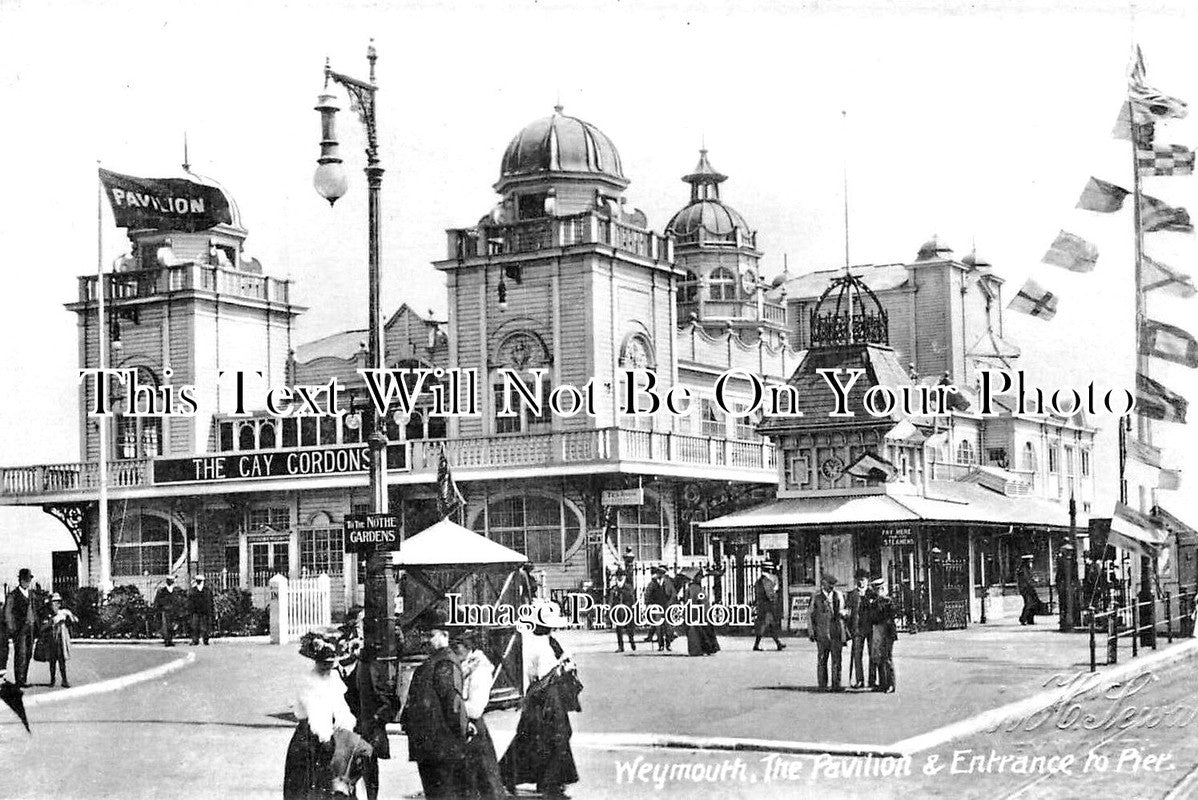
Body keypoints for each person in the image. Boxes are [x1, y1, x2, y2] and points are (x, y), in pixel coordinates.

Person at [500, 600, 581, 799]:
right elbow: (543, 677)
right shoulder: (538, 645)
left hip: (548, 697)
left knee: (545, 737)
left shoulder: (548, 641)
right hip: (544, 697)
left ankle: (547, 780)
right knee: (547, 737)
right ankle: (545, 781)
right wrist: (563, 667)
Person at [283, 629, 366, 799]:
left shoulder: (334, 678)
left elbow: (342, 708)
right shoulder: (309, 682)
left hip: (332, 734)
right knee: (307, 783)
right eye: (324, 664)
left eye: (330, 663)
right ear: (316, 662)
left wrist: (346, 729)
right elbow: (314, 715)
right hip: (310, 737)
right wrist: (326, 739)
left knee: (339, 781)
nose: (327, 668)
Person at [399, 613, 469, 800]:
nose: (426, 640)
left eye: (431, 635)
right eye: (425, 635)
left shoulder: (445, 663)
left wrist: (461, 735)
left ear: (445, 636)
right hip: (430, 747)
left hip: (441, 746)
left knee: (443, 793)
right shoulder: (435, 661)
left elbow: (454, 704)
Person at [451, 630, 506, 800]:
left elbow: (476, 708)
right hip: (462, 727)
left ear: (468, 647)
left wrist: (451, 706)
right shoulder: (463, 665)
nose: (454, 650)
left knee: (482, 783)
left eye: (457, 646)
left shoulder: (480, 670)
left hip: (474, 730)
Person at [809, 574, 848, 691]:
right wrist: (811, 632)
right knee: (822, 659)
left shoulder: (839, 595)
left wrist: (844, 614)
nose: (832, 587)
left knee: (837, 659)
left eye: (833, 585)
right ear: (823, 584)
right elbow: (810, 615)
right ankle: (822, 685)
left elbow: (844, 610)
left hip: (836, 632)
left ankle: (836, 684)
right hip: (822, 633)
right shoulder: (816, 597)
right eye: (829, 585)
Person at [5, 568, 39, 687]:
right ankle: (19, 680)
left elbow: (35, 610)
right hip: (19, 630)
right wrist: (12, 629)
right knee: (21, 654)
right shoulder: (13, 595)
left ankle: (23, 679)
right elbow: (8, 613)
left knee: (28, 654)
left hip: (31, 628)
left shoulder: (31, 594)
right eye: (25, 580)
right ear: (20, 580)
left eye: (28, 580)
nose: (27, 582)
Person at [39, 593, 78, 688]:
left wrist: (69, 617)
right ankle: (52, 679)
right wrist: (52, 621)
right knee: (52, 661)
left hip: (61, 640)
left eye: (58, 603)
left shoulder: (63, 612)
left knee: (61, 660)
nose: (56, 605)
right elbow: (42, 627)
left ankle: (64, 680)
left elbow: (74, 621)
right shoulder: (46, 614)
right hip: (51, 640)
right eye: (54, 603)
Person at [845, 570, 874, 689]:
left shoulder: (872, 593)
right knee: (857, 656)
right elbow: (848, 612)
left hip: (871, 628)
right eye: (858, 580)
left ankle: (872, 680)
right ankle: (859, 680)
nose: (860, 582)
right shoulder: (852, 594)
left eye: (863, 579)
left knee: (873, 655)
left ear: (867, 581)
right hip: (857, 629)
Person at [869, 579, 898, 693]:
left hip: (887, 632)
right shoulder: (875, 602)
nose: (877, 592)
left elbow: (888, 615)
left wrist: (878, 602)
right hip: (877, 631)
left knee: (887, 658)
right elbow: (872, 618)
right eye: (876, 590)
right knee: (879, 658)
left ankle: (891, 684)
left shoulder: (888, 601)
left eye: (879, 589)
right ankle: (883, 683)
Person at [683, 569, 720, 657]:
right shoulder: (697, 589)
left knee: (697, 632)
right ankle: (706, 649)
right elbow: (703, 602)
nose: (700, 579)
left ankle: (697, 650)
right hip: (700, 613)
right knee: (704, 632)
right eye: (699, 577)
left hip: (693, 614)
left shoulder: (690, 589)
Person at [752, 562, 786, 652]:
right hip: (768, 606)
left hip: (762, 606)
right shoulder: (767, 580)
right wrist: (775, 597)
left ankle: (778, 643)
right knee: (767, 625)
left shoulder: (759, 581)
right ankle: (758, 645)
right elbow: (770, 594)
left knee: (769, 625)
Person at [607, 569, 636, 652]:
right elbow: (611, 600)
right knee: (619, 629)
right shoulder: (614, 588)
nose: (620, 577)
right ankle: (621, 646)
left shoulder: (628, 587)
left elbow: (632, 598)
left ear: (624, 577)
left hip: (627, 611)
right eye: (618, 575)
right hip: (618, 612)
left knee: (629, 629)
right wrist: (610, 609)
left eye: (622, 575)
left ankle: (632, 641)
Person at [153, 575, 186, 647]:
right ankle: (167, 640)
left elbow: (178, 601)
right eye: (169, 580)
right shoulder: (162, 591)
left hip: (174, 611)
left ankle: (170, 639)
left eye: (172, 580)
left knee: (172, 626)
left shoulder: (175, 591)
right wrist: (157, 609)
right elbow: (157, 601)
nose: (170, 582)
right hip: (165, 611)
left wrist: (179, 610)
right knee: (166, 626)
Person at [187, 574, 216, 646]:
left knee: (205, 627)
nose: (199, 582)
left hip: (204, 612)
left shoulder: (207, 591)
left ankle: (205, 640)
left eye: (200, 581)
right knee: (195, 626)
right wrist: (191, 611)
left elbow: (210, 602)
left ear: (203, 581)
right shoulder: (193, 590)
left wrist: (211, 612)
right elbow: (190, 602)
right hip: (196, 611)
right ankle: (195, 640)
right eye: (198, 581)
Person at [1017, 554, 1042, 626]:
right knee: (1029, 603)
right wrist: (1034, 581)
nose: (1031, 562)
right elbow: (1027, 580)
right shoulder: (1024, 569)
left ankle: (1030, 619)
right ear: (1026, 561)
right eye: (1030, 561)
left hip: (1028, 588)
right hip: (1026, 589)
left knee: (1032, 603)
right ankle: (1023, 618)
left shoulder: (1026, 569)